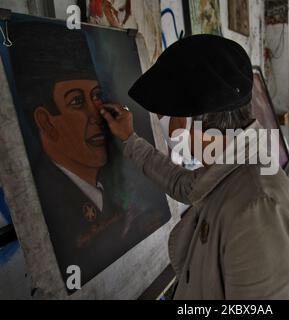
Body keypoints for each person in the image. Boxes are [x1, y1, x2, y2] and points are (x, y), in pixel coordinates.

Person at [101, 35, 289, 299]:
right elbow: (186, 185)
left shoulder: (257, 210)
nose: (162, 123)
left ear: (194, 121)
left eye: (165, 115)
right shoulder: (232, 165)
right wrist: (129, 139)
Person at [9, 21, 170, 288]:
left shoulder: (112, 180)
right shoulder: (42, 198)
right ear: (46, 121)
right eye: (76, 101)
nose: (98, 115)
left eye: (97, 96)